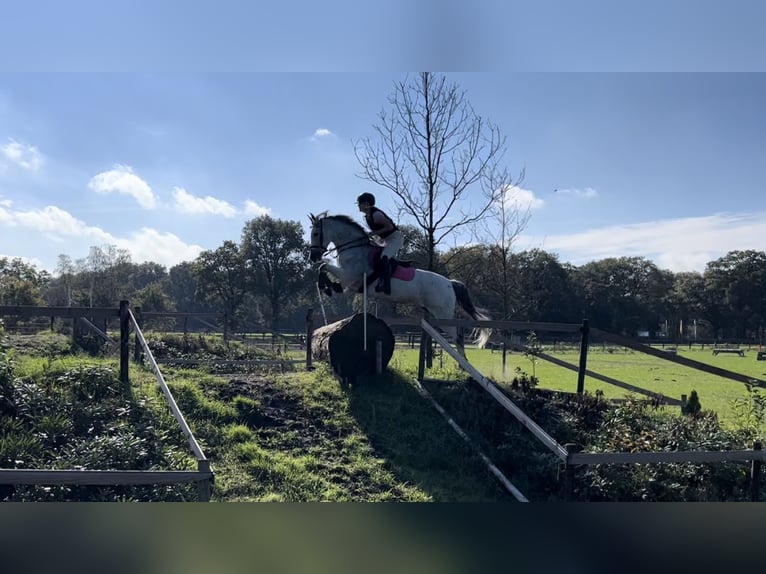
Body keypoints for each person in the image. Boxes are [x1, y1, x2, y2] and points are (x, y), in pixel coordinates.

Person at [356, 192, 403, 294]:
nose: (358, 205)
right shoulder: (367, 217)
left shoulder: (376, 215)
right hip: (385, 240)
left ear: (366, 204)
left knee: (384, 257)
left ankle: (385, 285)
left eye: (360, 203)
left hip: (395, 238)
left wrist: (372, 233)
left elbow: (389, 227)